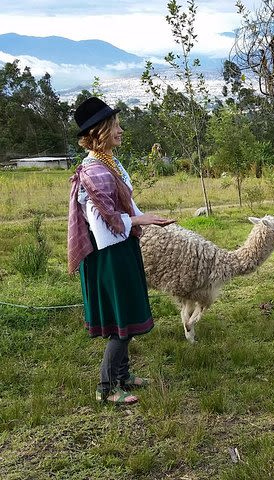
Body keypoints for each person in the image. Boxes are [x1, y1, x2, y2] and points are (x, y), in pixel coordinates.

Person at [67, 97, 174, 405]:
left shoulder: (109, 163)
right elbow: (103, 223)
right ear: (100, 131)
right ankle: (106, 387)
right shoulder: (95, 171)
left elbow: (125, 205)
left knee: (124, 313)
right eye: (116, 126)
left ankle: (123, 376)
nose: (121, 131)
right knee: (119, 319)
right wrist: (141, 219)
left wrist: (147, 219)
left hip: (121, 247)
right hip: (109, 254)